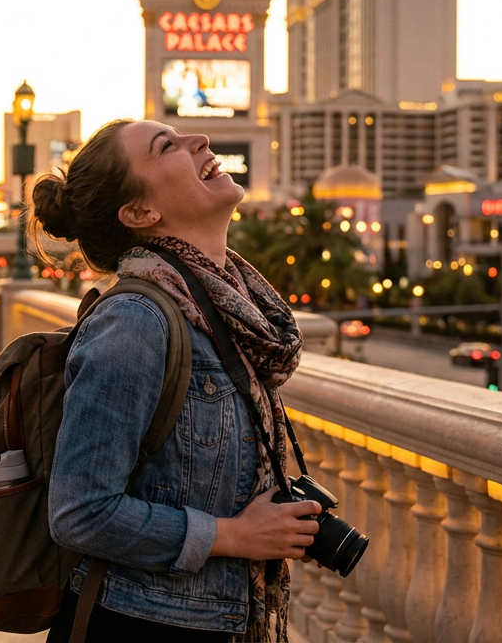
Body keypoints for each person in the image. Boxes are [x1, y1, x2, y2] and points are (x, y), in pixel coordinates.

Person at [30, 119, 316, 642]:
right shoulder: (137, 321)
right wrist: (236, 536)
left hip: (210, 620)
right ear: (140, 212)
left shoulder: (220, 308)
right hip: (143, 624)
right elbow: (80, 512)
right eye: (168, 146)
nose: (200, 141)